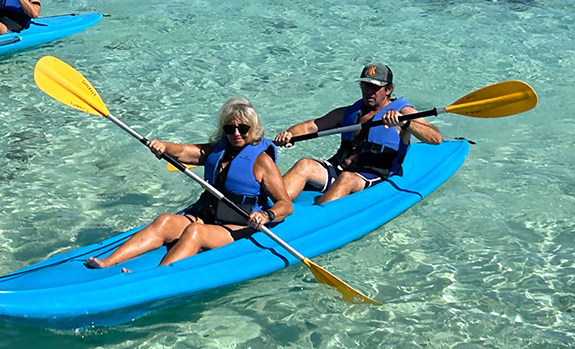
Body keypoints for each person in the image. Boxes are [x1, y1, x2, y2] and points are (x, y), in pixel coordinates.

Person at [84, 98, 294, 270]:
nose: (236, 133)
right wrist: (163, 146)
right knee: (165, 221)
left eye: (243, 128)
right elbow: (185, 152)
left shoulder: (262, 162)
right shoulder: (218, 151)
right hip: (207, 216)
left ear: (253, 128)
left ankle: (155, 276)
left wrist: (266, 216)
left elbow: (285, 204)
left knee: (195, 232)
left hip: (238, 226)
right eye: (230, 128)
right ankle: (108, 262)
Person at [273, 63, 442, 205]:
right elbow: (311, 127)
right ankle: (272, 207)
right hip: (338, 169)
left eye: (375, 87)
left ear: (388, 89)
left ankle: (316, 217)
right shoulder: (350, 112)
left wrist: (406, 122)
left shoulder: (404, 111)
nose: (369, 91)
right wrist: (289, 134)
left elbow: (435, 138)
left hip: (372, 177)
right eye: (365, 85)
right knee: (305, 164)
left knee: (346, 178)